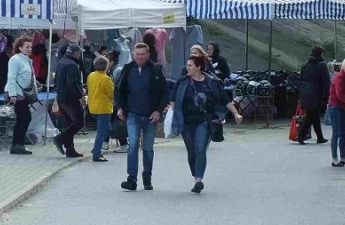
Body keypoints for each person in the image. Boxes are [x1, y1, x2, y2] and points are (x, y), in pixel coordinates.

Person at [170, 55, 243, 193]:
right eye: (187, 65)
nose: (187, 67)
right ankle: (195, 174)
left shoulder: (211, 82)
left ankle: (199, 180)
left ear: (198, 67)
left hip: (204, 121)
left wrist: (235, 113)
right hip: (186, 121)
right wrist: (172, 114)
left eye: (190, 65)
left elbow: (224, 98)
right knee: (191, 151)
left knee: (199, 149)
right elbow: (173, 99)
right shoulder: (182, 81)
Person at [116, 42, 170, 191]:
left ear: (147, 54)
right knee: (132, 145)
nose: (140, 57)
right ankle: (131, 179)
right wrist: (120, 107)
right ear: (134, 54)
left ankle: (147, 177)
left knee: (147, 148)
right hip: (132, 114)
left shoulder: (156, 70)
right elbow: (119, 90)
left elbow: (165, 93)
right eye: (137, 54)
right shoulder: (127, 69)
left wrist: (158, 110)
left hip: (150, 115)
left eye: (142, 54)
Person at [53, 44, 85, 158]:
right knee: (79, 122)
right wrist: (80, 96)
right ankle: (60, 138)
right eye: (79, 53)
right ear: (76, 53)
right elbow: (73, 83)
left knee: (68, 123)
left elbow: (55, 79)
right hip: (70, 98)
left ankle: (70, 150)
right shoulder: (72, 65)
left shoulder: (61, 63)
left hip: (61, 97)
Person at [5, 36, 35, 155]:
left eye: (30, 47)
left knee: (22, 119)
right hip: (17, 94)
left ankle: (17, 144)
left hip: (24, 94)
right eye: (27, 47)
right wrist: (12, 94)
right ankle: (17, 144)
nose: (29, 49)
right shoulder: (15, 59)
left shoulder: (27, 59)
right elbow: (11, 77)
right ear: (20, 48)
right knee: (25, 118)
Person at [297, 45, 330, 145]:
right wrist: (327, 95)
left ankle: (320, 137)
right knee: (311, 116)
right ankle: (300, 135)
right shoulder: (321, 65)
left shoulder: (304, 64)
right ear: (320, 54)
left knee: (314, 115)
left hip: (305, 92)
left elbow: (300, 79)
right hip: (316, 93)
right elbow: (326, 81)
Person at [88, 56, 114, 162]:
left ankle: (96, 148)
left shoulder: (91, 75)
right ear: (106, 66)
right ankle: (97, 153)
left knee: (106, 129)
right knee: (102, 131)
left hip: (93, 106)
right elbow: (112, 93)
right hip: (103, 108)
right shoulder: (106, 79)